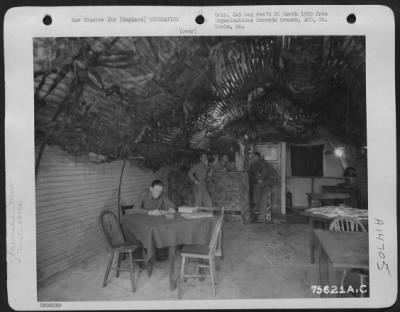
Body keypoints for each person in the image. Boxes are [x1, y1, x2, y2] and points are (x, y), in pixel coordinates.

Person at [132, 180, 176, 261]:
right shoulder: (144, 193)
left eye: (160, 191)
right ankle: (147, 255)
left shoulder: (162, 194)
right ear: (151, 189)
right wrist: (150, 212)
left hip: (155, 223)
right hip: (144, 223)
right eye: (156, 191)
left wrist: (171, 208)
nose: (158, 193)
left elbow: (171, 205)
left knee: (164, 229)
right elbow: (135, 209)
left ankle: (159, 252)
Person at [248, 152, 277, 222]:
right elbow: (254, 175)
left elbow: (263, 173)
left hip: (268, 181)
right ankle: (259, 213)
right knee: (262, 198)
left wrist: (260, 179)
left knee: (263, 199)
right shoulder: (255, 164)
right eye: (252, 157)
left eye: (253, 157)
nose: (252, 158)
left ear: (258, 157)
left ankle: (259, 211)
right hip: (266, 182)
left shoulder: (261, 163)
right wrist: (258, 179)